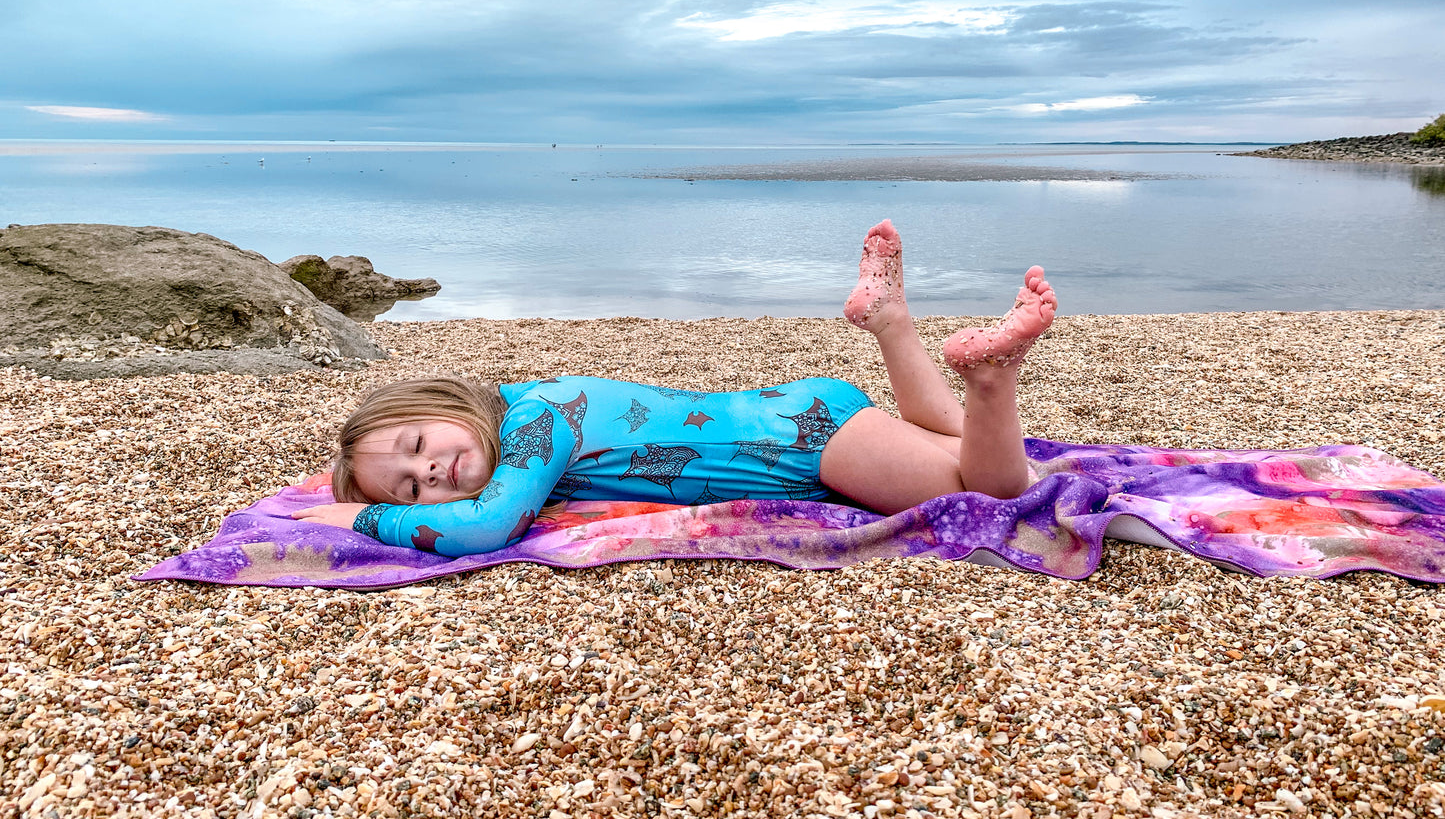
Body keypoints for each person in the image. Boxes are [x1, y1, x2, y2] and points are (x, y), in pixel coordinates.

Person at [291, 220, 1057, 556]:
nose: (427, 473)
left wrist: (366, 521)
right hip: (798, 414)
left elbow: (486, 529)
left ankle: (992, 379)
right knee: (950, 446)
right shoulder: (528, 398)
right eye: (407, 491)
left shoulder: (535, 427)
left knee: (995, 488)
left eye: (419, 444)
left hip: (803, 445)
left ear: (447, 407)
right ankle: (889, 321)